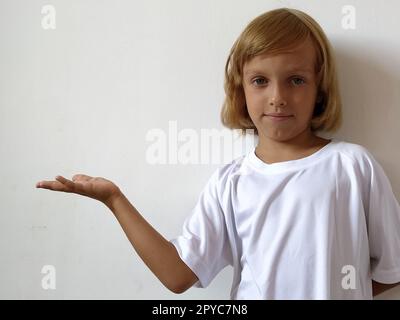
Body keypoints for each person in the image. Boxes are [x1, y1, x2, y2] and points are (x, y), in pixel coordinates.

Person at [36, 8, 400, 299]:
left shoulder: (353, 167)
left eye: (296, 80)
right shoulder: (231, 182)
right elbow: (178, 275)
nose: (278, 97)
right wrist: (114, 199)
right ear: (240, 89)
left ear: (319, 89)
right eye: (260, 80)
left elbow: (391, 269)